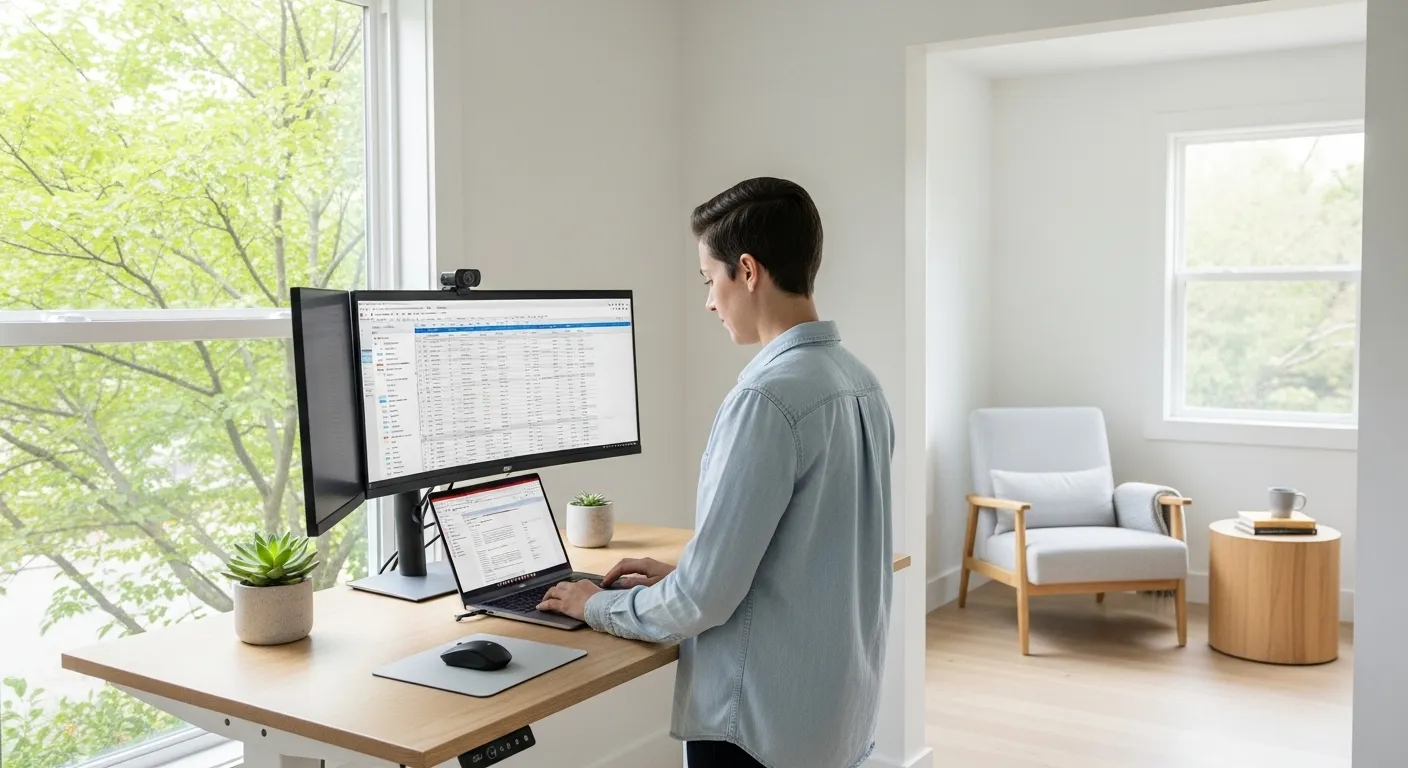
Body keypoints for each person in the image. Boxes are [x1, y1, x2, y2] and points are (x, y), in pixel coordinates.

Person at [537, 177, 894, 768]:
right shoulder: (860, 383)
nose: (708, 301)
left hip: (756, 731)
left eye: (710, 279)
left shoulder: (767, 399)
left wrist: (591, 604)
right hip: (834, 721)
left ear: (747, 272)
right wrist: (688, 569)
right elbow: (812, 554)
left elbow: (701, 602)